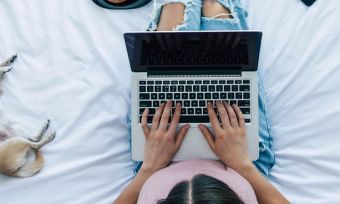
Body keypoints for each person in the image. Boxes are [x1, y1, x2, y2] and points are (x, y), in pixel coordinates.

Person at [115, 0, 289, 203]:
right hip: (242, 166)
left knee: (173, 16)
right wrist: (243, 165)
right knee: (216, 15)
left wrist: (150, 168)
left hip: (157, 162)